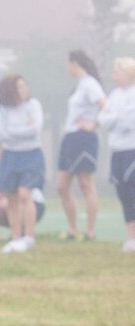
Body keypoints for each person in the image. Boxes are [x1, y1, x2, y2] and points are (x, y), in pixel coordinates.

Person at [0, 75, 45, 254]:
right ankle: (15, 238)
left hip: (31, 154)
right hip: (10, 155)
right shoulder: (3, 109)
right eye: (19, 87)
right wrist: (23, 130)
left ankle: (29, 237)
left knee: (25, 194)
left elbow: (35, 129)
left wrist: (14, 132)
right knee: (11, 197)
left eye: (24, 86)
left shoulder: (33, 105)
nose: (23, 90)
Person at [54, 50, 106, 240]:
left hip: (84, 138)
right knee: (62, 185)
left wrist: (94, 124)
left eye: (68, 64)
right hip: (70, 137)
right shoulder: (78, 85)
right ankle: (72, 229)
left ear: (75, 63)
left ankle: (90, 232)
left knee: (85, 183)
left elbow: (104, 105)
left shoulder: (90, 84)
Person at [102, 57, 135, 254]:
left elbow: (130, 122)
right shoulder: (113, 95)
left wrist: (114, 118)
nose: (113, 77)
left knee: (133, 191)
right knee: (123, 193)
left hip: (132, 149)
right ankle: (131, 237)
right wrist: (116, 117)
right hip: (117, 150)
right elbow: (103, 120)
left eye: (117, 73)